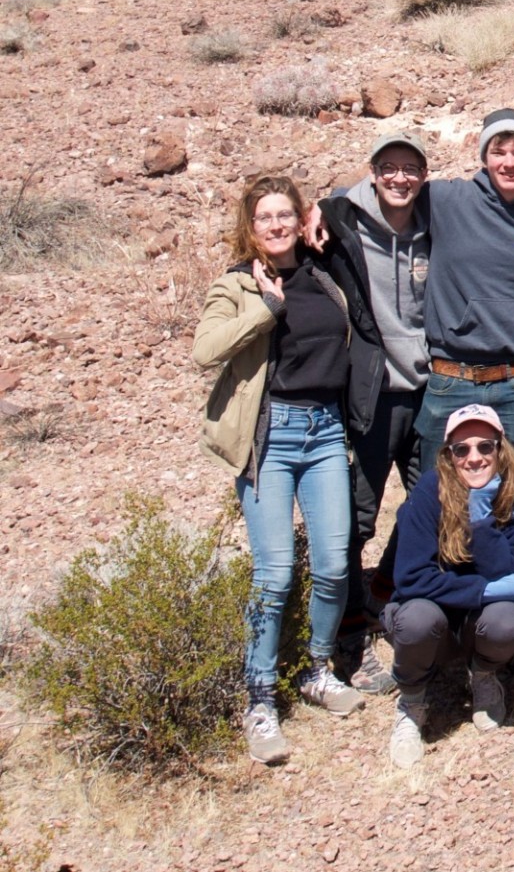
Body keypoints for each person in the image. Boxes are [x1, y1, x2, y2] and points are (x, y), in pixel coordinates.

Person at [195, 174, 363, 766]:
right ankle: (260, 697)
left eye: (284, 215)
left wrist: (324, 211)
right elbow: (204, 350)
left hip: (325, 432)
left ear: (299, 218)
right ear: (251, 226)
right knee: (274, 573)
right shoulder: (238, 284)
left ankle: (317, 669)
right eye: (264, 217)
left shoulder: (322, 275)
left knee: (337, 560)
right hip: (271, 437)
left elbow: (352, 204)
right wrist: (265, 310)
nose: (275, 225)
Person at [318, 132, 433, 693]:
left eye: (411, 168)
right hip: (373, 389)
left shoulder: (434, 223)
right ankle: (347, 632)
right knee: (357, 512)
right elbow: (282, 220)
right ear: (372, 173)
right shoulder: (341, 219)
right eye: (389, 167)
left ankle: (386, 586)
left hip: (429, 387)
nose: (400, 178)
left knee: (429, 499)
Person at [383, 405, 514, 766]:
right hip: (431, 617)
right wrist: (484, 591)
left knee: (506, 619)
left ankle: (484, 675)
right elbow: (410, 578)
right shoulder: (427, 492)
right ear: (448, 455)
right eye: (461, 449)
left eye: (485, 446)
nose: (474, 457)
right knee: (416, 619)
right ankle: (412, 701)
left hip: (478, 622)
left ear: (501, 449)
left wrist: (481, 522)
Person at [419, 108, 514, 472]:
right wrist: (322, 211)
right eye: (499, 152)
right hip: (451, 375)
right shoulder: (446, 200)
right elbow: (385, 195)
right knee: (440, 494)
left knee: (513, 495)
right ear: (484, 157)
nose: (509, 163)